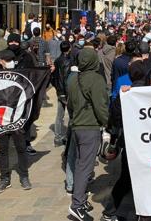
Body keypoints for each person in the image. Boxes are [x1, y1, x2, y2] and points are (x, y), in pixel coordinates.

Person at [67, 48, 109, 221]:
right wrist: (107, 123)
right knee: (86, 166)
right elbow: (101, 106)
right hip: (89, 127)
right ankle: (76, 205)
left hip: (76, 126)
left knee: (79, 164)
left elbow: (70, 105)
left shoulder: (72, 79)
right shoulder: (96, 79)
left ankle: (80, 198)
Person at [0, 49, 33, 194]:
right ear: (1, 61)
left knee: (21, 148)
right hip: (0, 121)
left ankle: (24, 176)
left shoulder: (20, 73)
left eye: (11, 59)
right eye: (7, 60)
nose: (10, 63)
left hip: (17, 120)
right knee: (2, 151)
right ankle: (4, 178)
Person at [52, 41, 73, 147]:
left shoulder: (57, 61)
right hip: (68, 92)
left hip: (60, 92)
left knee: (59, 115)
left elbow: (53, 77)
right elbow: (66, 78)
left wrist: (57, 88)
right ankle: (69, 136)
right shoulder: (70, 61)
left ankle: (57, 137)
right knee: (71, 115)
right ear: (69, 48)